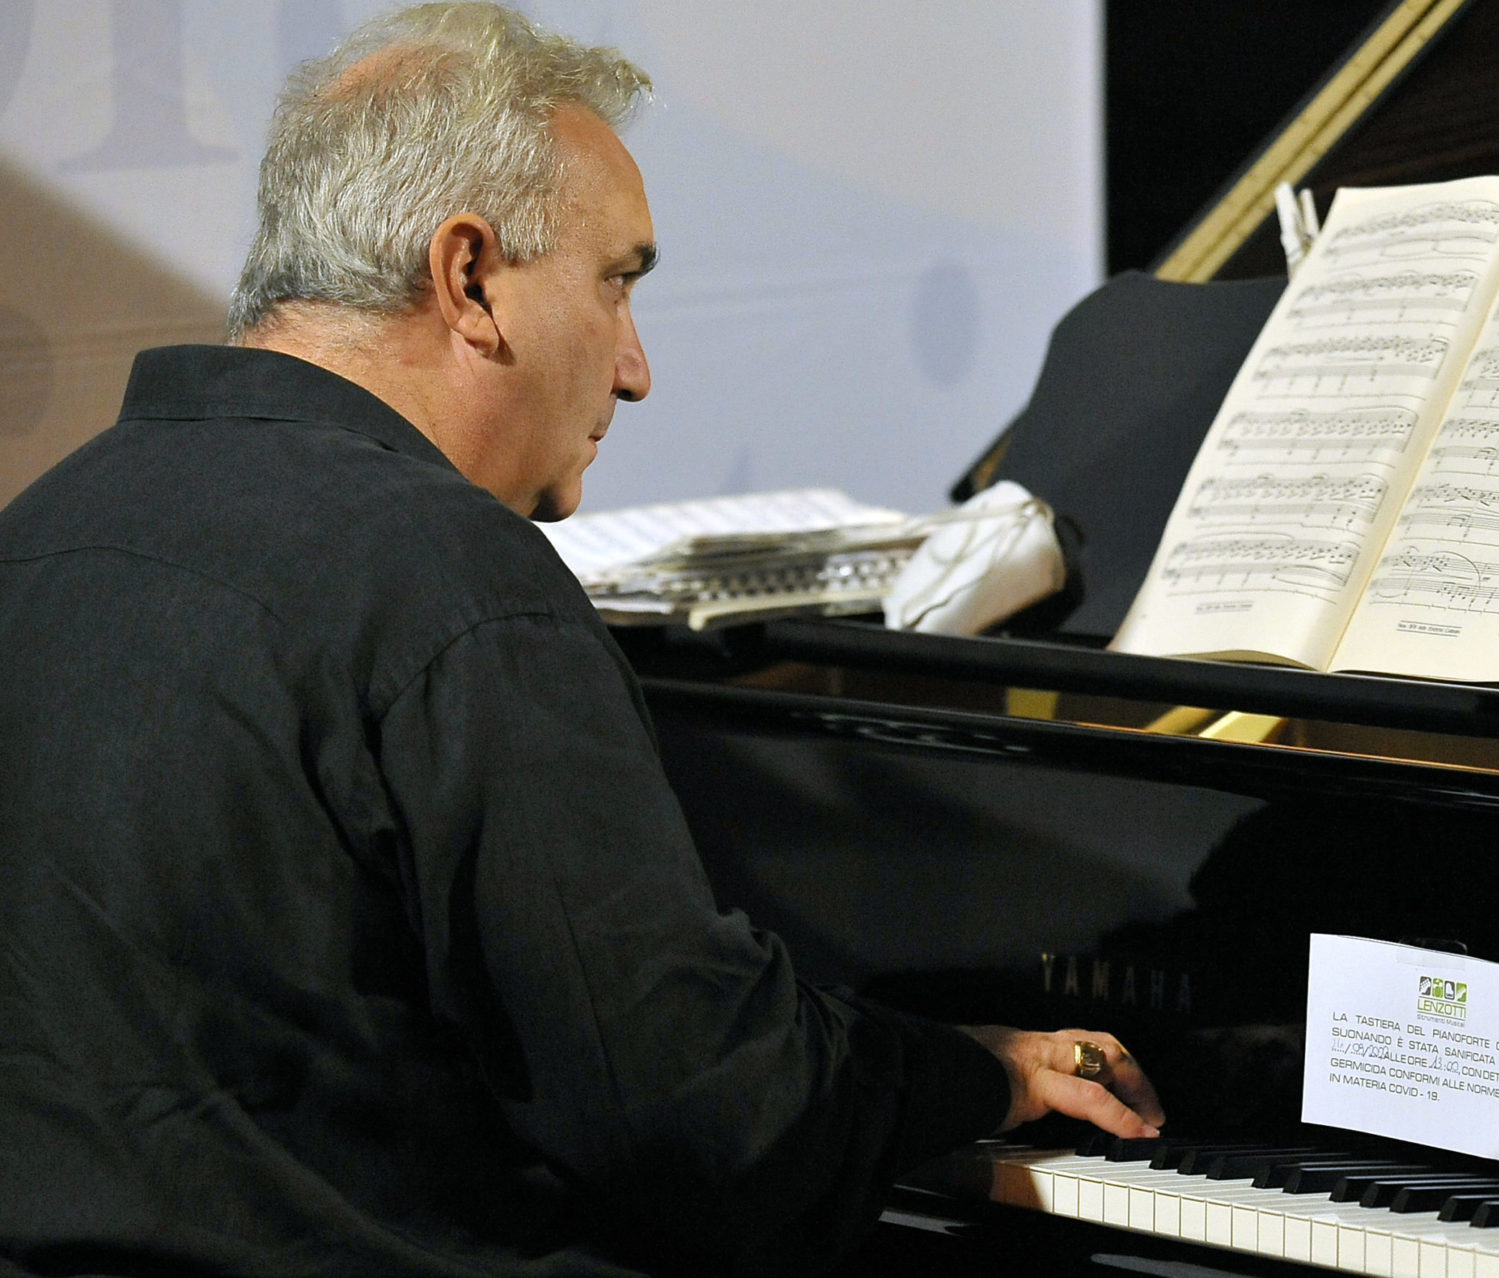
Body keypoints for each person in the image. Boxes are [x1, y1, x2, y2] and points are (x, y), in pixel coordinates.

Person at [0, 5, 1162, 1276]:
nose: (636, 367)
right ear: (469, 278)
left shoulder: (42, 533)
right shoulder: (454, 583)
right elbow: (703, 1112)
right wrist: (967, 1073)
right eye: (616, 282)